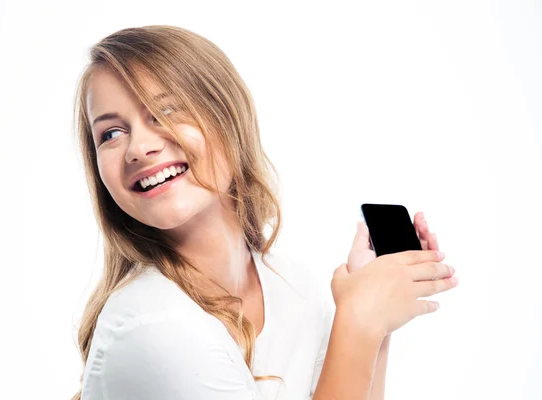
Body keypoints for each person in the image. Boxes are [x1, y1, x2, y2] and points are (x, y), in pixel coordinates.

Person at [70, 25, 459, 400]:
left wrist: (377, 322)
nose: (138, 147)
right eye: (111, 134)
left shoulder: (293, 286)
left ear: (228, 116)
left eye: (166, 111)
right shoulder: (154, 325)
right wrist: (358, 321)